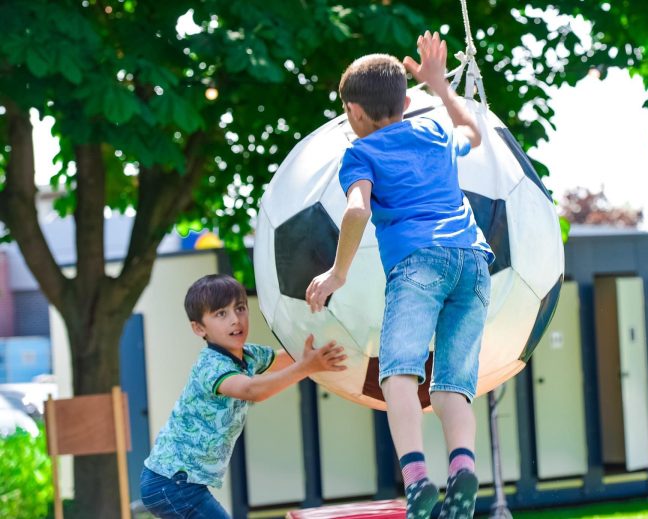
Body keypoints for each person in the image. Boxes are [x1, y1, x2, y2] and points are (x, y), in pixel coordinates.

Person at [306, 31, 493, 519]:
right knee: (452, 385)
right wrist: (442, 85)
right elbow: (472, 134)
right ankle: (464, 470)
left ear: (353, 112)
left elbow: (355, 212)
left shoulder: (360, 153)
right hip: (473, 261)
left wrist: (337, 273)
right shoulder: (432, 130)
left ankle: (417, 481)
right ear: (408, 101)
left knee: (399, 375)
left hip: (419, 263)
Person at [141, 274, 346, 518]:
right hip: (171, 482)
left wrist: (318, 348)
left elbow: (281, 359)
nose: (235, 320)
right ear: (199, 328)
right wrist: (306, 367)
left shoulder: (247, 356)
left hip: (178, 482)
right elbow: (252, 390)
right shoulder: (211, 366)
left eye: (240, 309)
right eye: (221, 314)